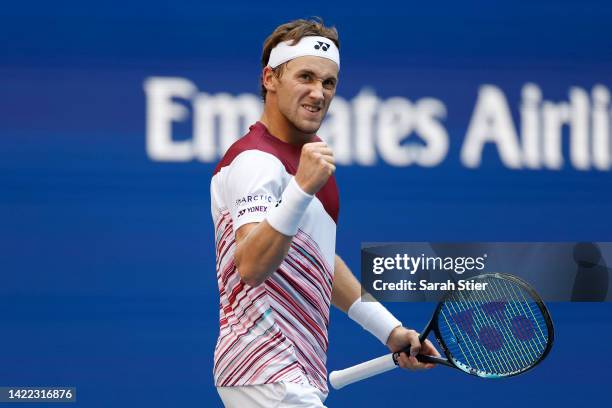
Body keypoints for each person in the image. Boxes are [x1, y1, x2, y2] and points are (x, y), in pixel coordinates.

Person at [210, 18, 439, 407]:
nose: (318, 93)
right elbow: (249, 264)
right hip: (266, 369)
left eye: (328, 82)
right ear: (270, 78)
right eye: (305, 77)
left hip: (289, 374)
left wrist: (390, 331)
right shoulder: (255, 160)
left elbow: (318, 264)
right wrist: (300, 188)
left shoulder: (307, 158)